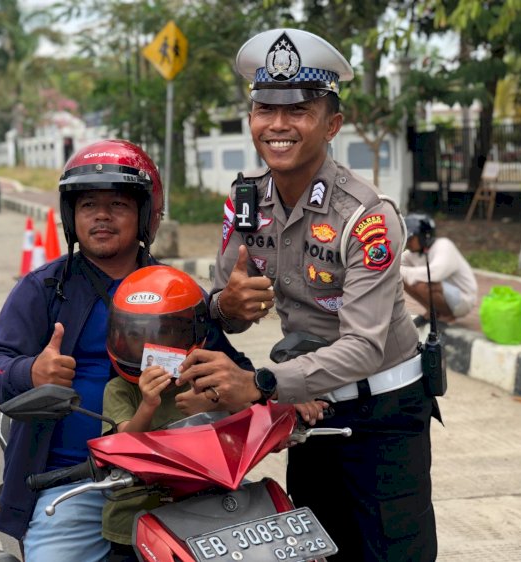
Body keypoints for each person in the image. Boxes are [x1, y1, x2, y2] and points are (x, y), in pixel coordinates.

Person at [176, 29, 440, 561]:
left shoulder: (365, 218)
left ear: (331, 124)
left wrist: (261, 384)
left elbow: (364, 346)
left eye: (297, 110)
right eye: (264, 108)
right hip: (308, 414)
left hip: (382, 416)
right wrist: (227, 306)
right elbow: (225, 308)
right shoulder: (246, 202)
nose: (277, 124)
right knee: (318, 554)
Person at [0, 139, 167, 561]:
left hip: (168, 479)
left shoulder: (175, 291)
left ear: (145, 214)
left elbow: (228, 369)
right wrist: (30, 373)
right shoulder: (43, 288)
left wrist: (265, 390)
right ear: (71, 216)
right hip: (74, 483)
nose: (101, 215)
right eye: (87, 206)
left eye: (117, 204)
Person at [101, 265, 253, 561]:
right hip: (132, 520)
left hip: (202, 513)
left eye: (166, 333)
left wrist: (215, 400)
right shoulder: (120, 389)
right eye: (136, 335)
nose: (150, 345)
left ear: (191, 333)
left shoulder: (205, 376)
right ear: (119, 335)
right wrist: (148, 405)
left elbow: (247, 413)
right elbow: (123, 445)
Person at [402, 212, 478, 326]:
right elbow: (393, 265)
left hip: (463, 299)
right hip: (447, 294)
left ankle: (446, 315)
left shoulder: (444, 246)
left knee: (423, 283)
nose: (407, 243)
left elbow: (434, 274)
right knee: (403, 279)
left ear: (424, 236)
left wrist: (401, 271)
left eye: (411, 239)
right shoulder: (414, 253)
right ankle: (432, 312)